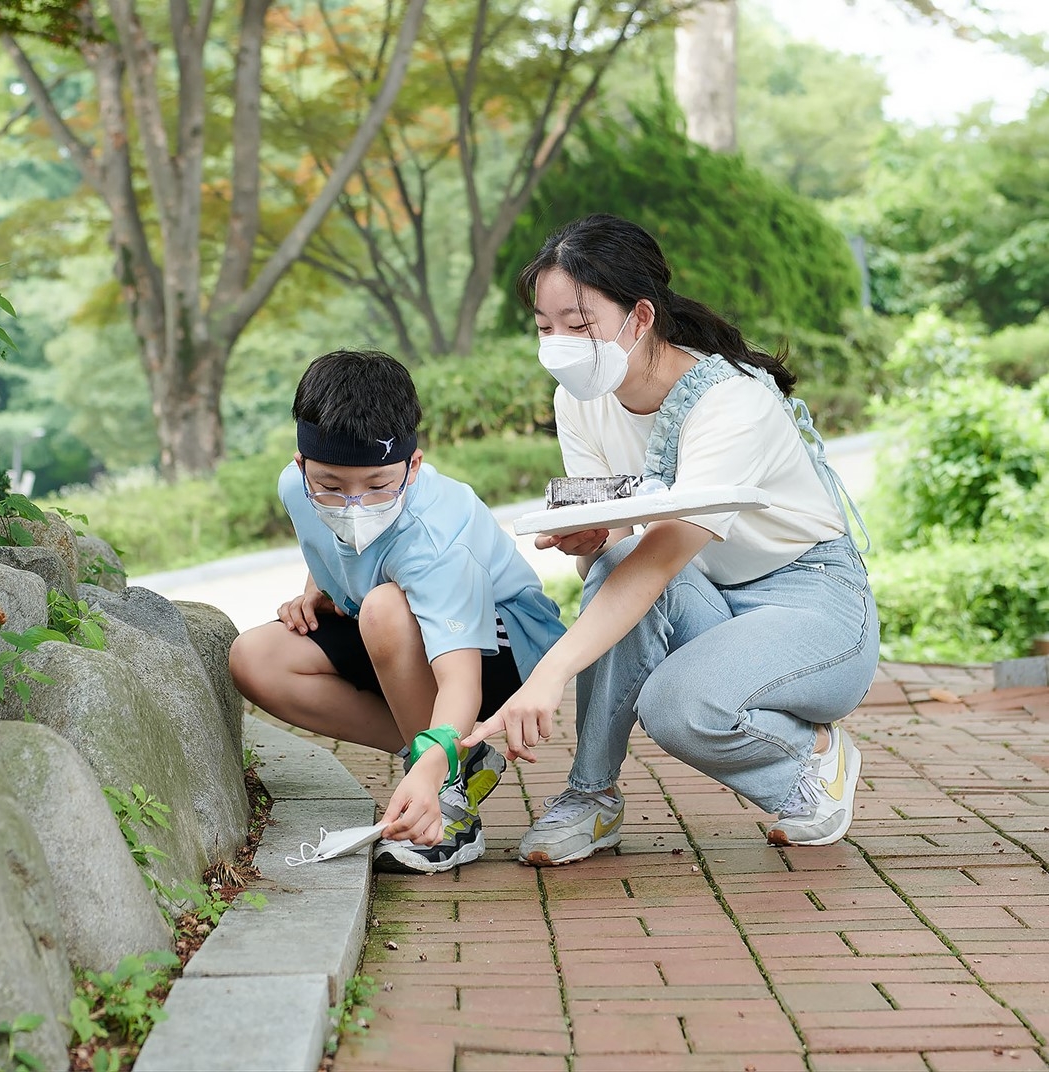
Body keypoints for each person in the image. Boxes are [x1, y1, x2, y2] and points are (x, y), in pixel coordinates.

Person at [463, 213, 879, 865]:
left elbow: (661, 557)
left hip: (814, 605)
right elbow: (622, 549)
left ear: (641, 317)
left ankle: (812, 757)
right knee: (618, 561)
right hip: (709, 594)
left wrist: (548, 674)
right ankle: (590, 797)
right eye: (546, 328)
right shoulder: (579, 400)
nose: (559, 344)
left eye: (579, 325)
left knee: (678, 705)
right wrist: (592, 540)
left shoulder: (732, 403)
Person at [228, 349, 566, 873]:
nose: (354, 507)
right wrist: (317, 584)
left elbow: (461, 682)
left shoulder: (437, 536)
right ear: (302, 467)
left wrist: (433, 765)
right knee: (255, 657)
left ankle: (449, 803)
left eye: (379, 486)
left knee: (384, 608)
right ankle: (457, 755)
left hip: (504, 651)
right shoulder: (296, 488)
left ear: (413, 466)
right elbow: (331, 542)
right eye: (332, 487)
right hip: (389, 630)